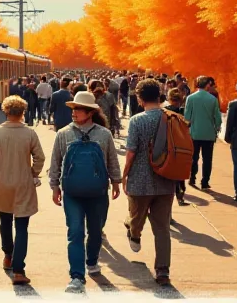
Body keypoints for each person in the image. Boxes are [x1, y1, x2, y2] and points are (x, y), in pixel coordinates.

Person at [49, 91, 121, 293]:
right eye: (73, 108)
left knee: (96, 231)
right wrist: (54, 186)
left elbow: (112, 160)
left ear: (90, 112)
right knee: (75, 232)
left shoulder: (104, 134)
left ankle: (91, 261)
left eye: (78, 109)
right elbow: (55, 162)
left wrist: (116, 181)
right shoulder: (63, 133)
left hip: (98, 192)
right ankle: (77, 277)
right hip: (72, 193)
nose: (74, 112)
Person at [0, 95, 46, 286]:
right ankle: (19, 270)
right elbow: (39, 158)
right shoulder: (30, 134)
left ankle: (7, 255)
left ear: (6, 111)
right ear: (23, 113)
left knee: (5, 221)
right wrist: (33, 173)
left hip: (3, 184)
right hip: (24, 184)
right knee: (22, 226)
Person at [121, 78, 177, 286]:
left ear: (140, 98)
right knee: (162, 228)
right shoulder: (172, 118)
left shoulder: (137, 120)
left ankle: (134, 233)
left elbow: (131, 152)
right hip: (166, 179)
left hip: (140, 179)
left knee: (136, 218)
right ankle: (163, 270)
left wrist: (124, 176)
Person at [184, 76, 222, 189]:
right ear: (207, 85)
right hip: (209, 134)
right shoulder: (213, 99)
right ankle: (205, 181)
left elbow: (187, 117)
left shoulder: (190, 98)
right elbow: (218, 118)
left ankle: (192, 178)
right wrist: (216, 128)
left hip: (194, 133)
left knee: (193, 157)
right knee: (207, 159)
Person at [163, 89, 188, 206]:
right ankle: (180, 195)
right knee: (180, 173)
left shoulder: (164, 112)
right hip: (181, 145)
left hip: (167, 145)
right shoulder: (183, 112)